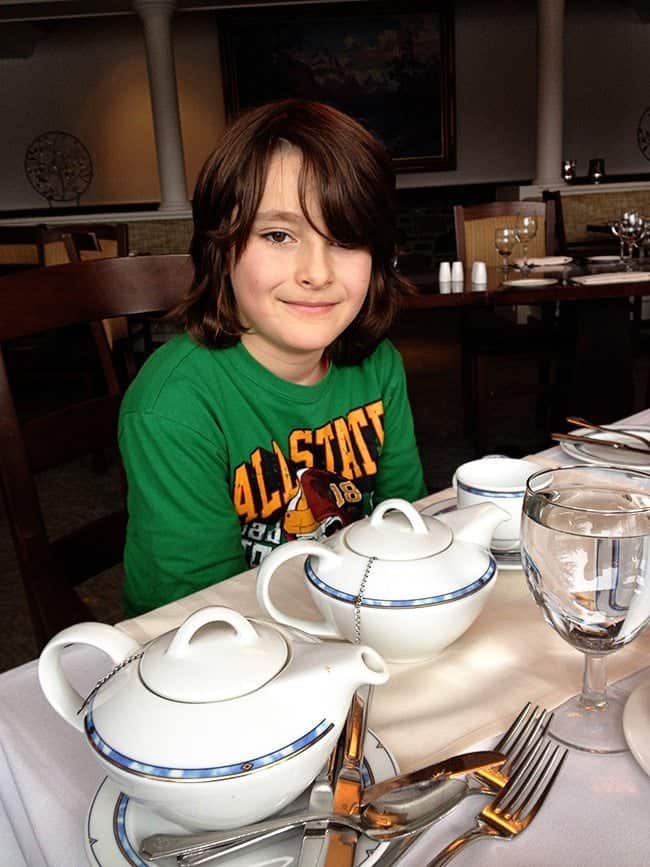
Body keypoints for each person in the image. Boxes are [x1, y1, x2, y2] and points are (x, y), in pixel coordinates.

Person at [119, 99, 426, 616]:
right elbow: (201, 616)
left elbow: (405, 523)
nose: (316, 272)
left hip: (355, 615)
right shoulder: (174, 406)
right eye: (279, 235)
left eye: (345, 239)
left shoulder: (379, 364)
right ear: (222, 249)